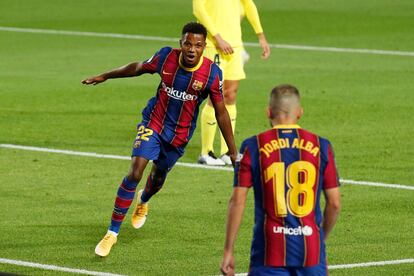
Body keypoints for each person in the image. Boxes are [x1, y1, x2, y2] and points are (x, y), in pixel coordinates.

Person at [82, 22, 237, 257]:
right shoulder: (166, 57)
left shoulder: (212, 74)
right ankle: (112, 233)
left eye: (197, 45)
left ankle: (144, 199)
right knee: (135, 171)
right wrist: (106, 75)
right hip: (153, 122)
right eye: (187, 43)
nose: (192, 49)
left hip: (179, 135)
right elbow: (138, 67)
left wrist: (233, 152)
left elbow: (221, 112)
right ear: (181, 44)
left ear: (205, 46)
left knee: (157, 178)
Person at [220, 84, 341, 275]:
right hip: (311, 252)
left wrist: (228, 250)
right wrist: (320, 238)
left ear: (268, 112)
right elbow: (334, 204)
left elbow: (237, 201)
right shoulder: (322, 146)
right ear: (299, 112)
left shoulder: (253, 146)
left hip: (268, 253)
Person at [193, 0, 271, 166]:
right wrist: (217, 38)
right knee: (215, 95)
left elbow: (249, 5)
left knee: (231, 94)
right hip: (214, 45)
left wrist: (261, 36)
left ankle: (227, 151)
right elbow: (198, 9)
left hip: (235, 45)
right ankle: (206, 152)